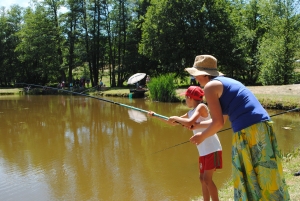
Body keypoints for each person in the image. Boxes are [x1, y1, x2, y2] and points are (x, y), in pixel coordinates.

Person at [185, 55, 290, 200]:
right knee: (266, 172)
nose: (195, 78)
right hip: (261, 125)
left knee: (249, 173)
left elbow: (218, 124)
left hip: (250, 130)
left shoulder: (210, 87)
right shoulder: (224, 83)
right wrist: (196, 125)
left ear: (204, 74)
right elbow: (219, 120)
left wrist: (201, 136)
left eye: (196, 74)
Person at [148, 86, 222, 201]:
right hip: (203, 150)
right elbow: (172, 123)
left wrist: (177, 117)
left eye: (186, 98)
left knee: (207, 179)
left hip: (212, 148)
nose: (185, 100)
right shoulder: (190, 112)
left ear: (190, 97)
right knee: (202, 179)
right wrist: (155, 116)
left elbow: (189, 122)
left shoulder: (201, 106)